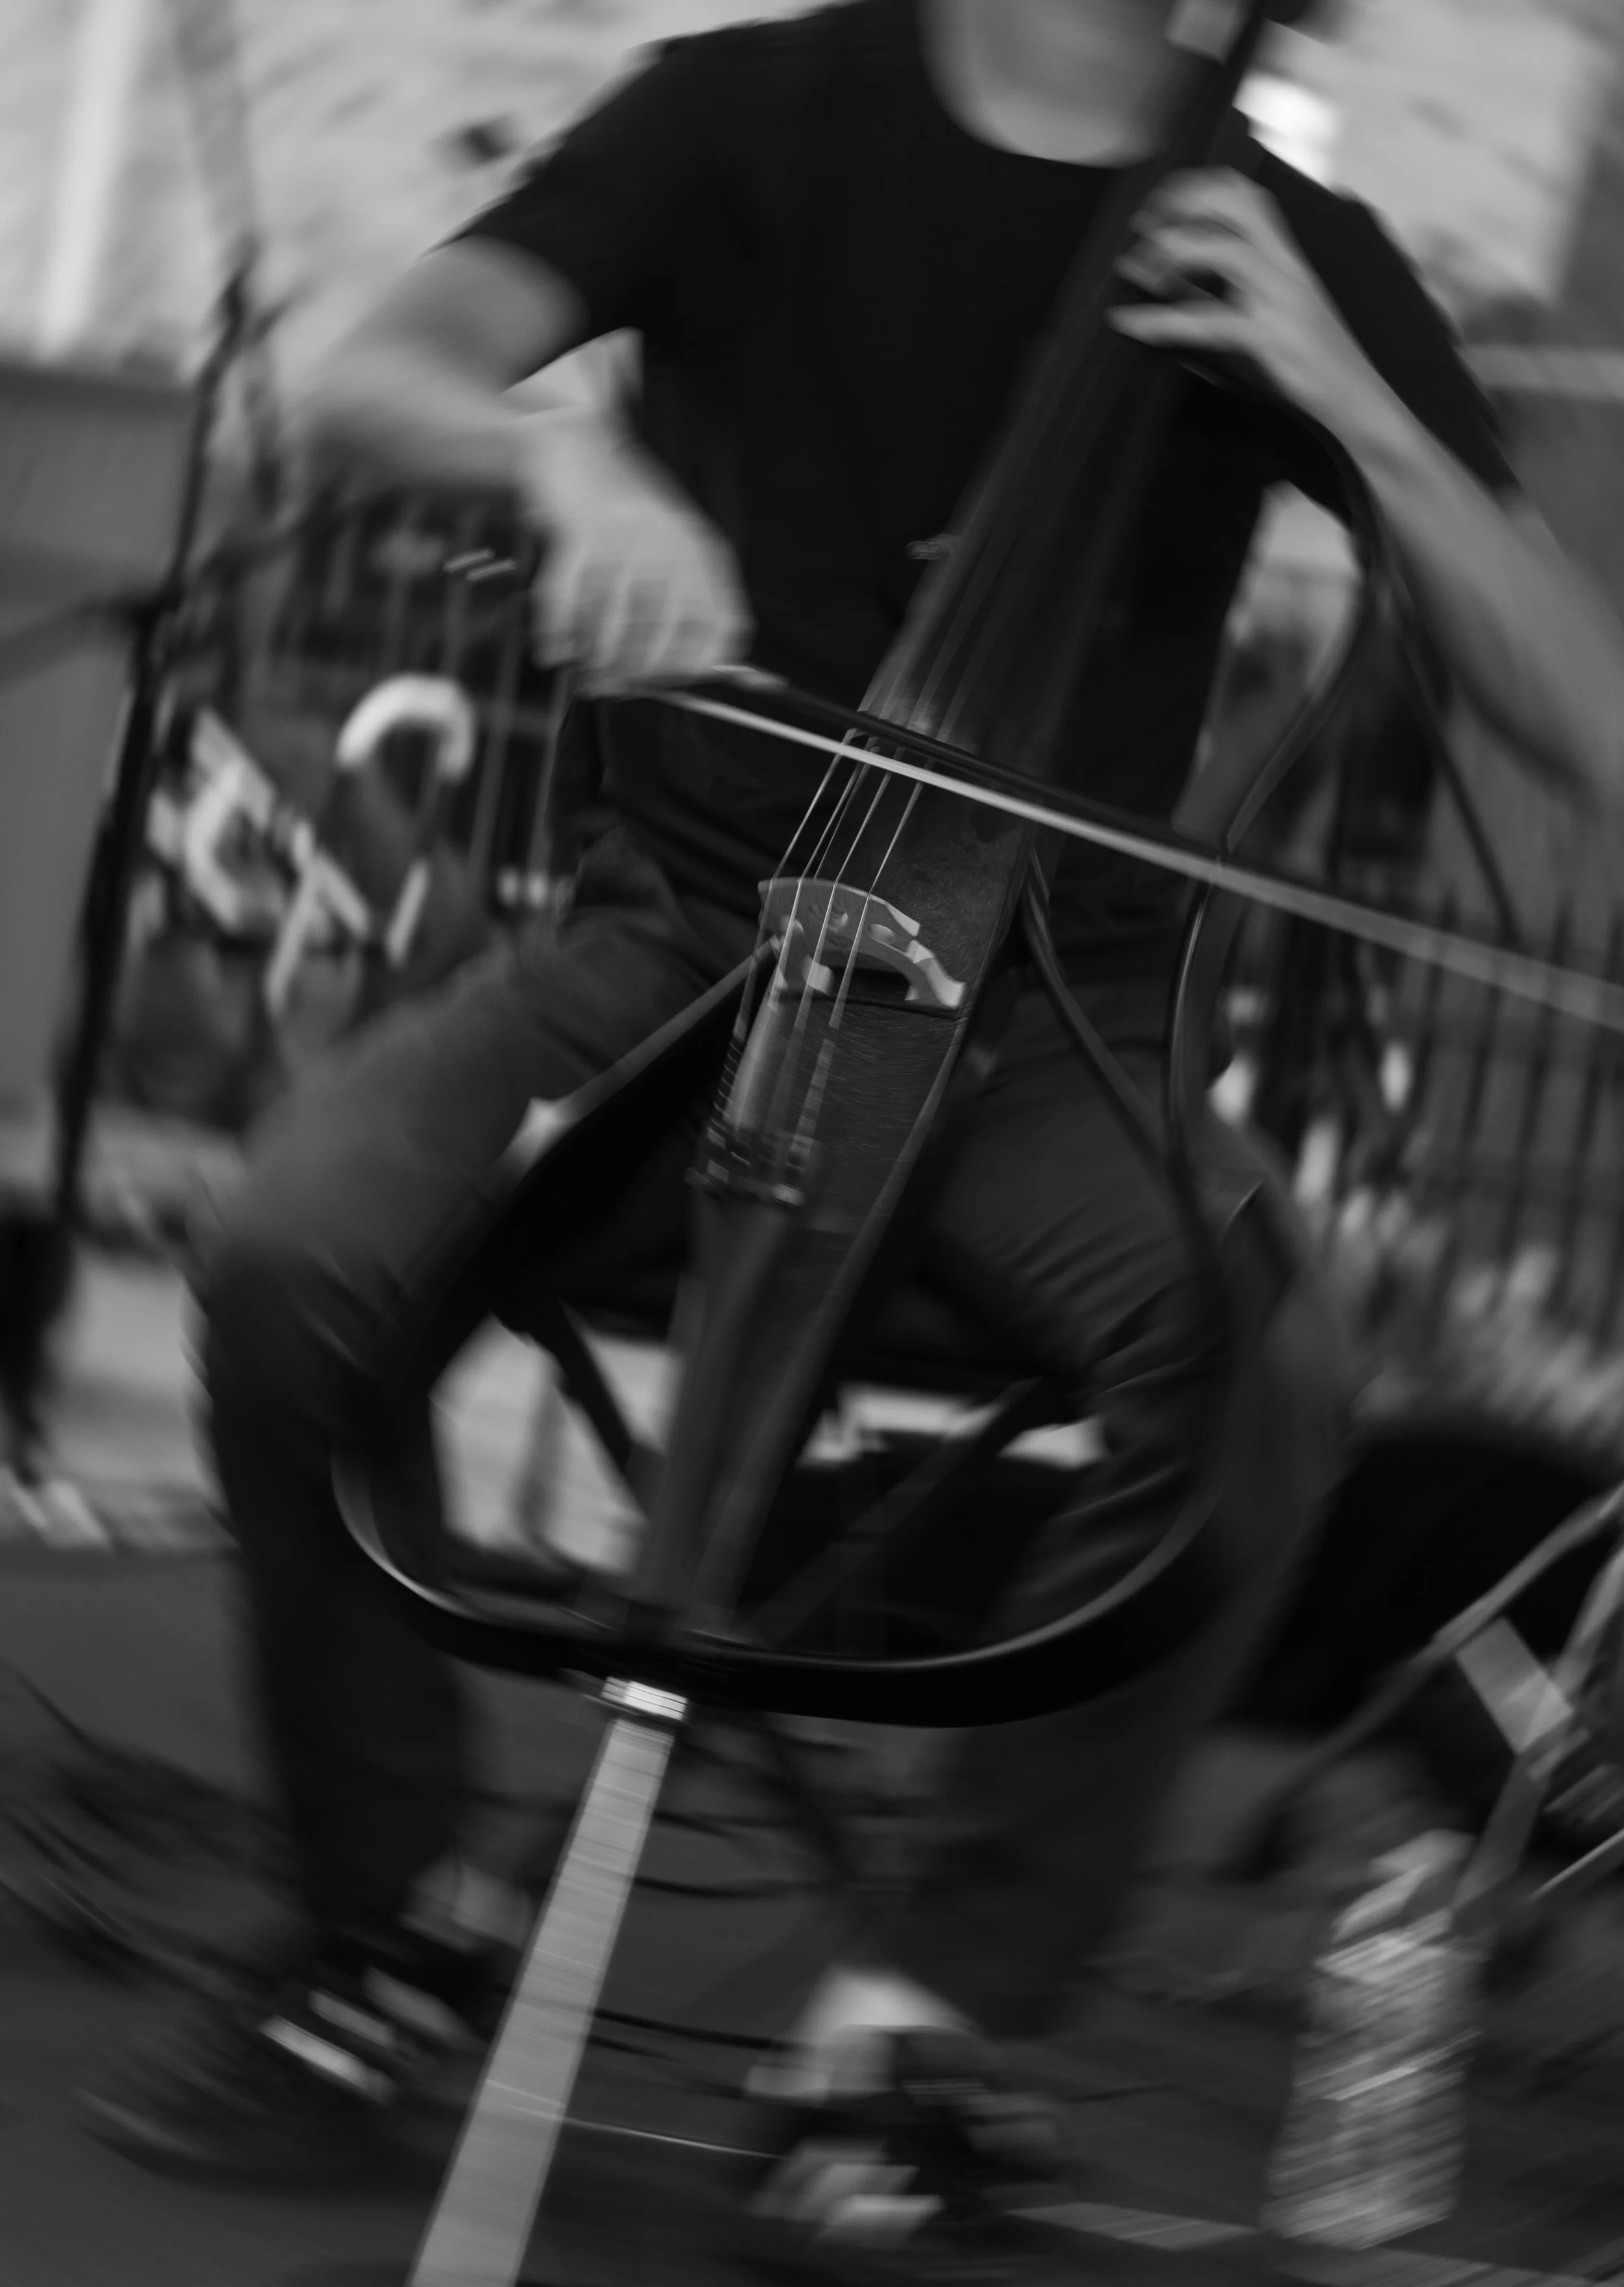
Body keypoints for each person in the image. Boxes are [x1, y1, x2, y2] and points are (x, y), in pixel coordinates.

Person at [82, 0, 1624, 2256]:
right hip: (669, 948)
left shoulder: (1275, 237)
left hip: (1043, 1021)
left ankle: (921, 2022)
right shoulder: (748, 110)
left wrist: (1346, 400)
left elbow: (1576, 708)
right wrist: (567, 470)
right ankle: (382, 1914)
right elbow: (370, 374)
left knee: (1259, 1377)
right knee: (297, 1252)